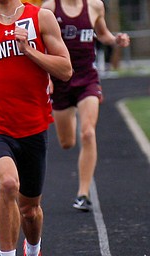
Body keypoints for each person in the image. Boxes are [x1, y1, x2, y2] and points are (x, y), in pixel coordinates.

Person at [0, 1, 72, 255]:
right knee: (8, 183)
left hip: (33, 127)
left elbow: (66, 70)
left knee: (30, 211)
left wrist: (30, 51)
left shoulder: (41, 18)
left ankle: (33, 249)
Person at [42, 0, 130, 211]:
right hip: (61, 81)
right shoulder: (49, 9)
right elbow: (41, 43)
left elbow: (102, 33)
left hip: (87, 79)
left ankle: (83, 194)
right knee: (67, 142)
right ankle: (71, 113)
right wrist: (47, 76)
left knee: (88, 133)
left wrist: (116, 39)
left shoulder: (95, 6)